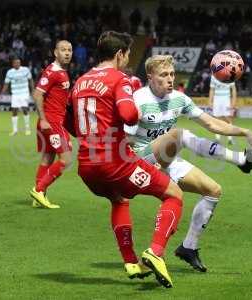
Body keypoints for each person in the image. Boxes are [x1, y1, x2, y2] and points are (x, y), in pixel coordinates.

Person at [125, 55, 252, 272]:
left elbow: (211, 123)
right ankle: (241, 160)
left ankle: (188, 247)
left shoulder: (179, 99)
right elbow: (124, 140)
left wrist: (245, 131)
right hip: (139, 160)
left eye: (172, 74)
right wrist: (144, 166)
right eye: (164, 75)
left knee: (213, 190)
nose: (170, 79)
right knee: (180, 134)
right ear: (150, 77)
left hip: (166, 158)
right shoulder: (138, 100)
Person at [70, 31, 183, 288]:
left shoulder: (80, 81)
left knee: (118, 199)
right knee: (173, 194)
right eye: (127, 54)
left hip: (86, 165)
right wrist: (130, 93)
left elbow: (71, 124)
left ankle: (131, 262)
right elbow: (130, 116)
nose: (127, 59)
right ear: (120, 54)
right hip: (115, 163)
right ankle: (155, 251)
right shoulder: (119, 79)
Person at [29, 40, 73, 209]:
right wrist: (44, 119)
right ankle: (39, 190)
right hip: (52, 123)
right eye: (63, 50)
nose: (67, 53)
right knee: (66, 159)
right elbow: (37, 94)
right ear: (56, 53)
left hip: (54, 121)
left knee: (48, 157)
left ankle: (39, 197)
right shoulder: (52, 71)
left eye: (69, 50)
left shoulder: (62, 72)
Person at [1, 57, 33, 136]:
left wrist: (33, 90)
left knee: (25, 109)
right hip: (15, 94)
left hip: (24, 92)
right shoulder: (10, 72)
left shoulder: (25, 70)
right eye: (16, 63)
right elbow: (6, 83)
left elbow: (30, 80)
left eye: (19, 62)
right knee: (14, 111)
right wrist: (2, 92)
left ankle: (27, 129)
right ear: (13, 64)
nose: (17, 64)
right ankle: (15, 130)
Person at [209, 73, 237, 145]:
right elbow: (212, 89)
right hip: (217, 99)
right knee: (217, 119)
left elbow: (233, 89)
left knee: (228, 119)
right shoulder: (214, 75)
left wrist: (233, 101)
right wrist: (210, 101)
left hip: (226, 99)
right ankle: (217, 138)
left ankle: (230, 138)